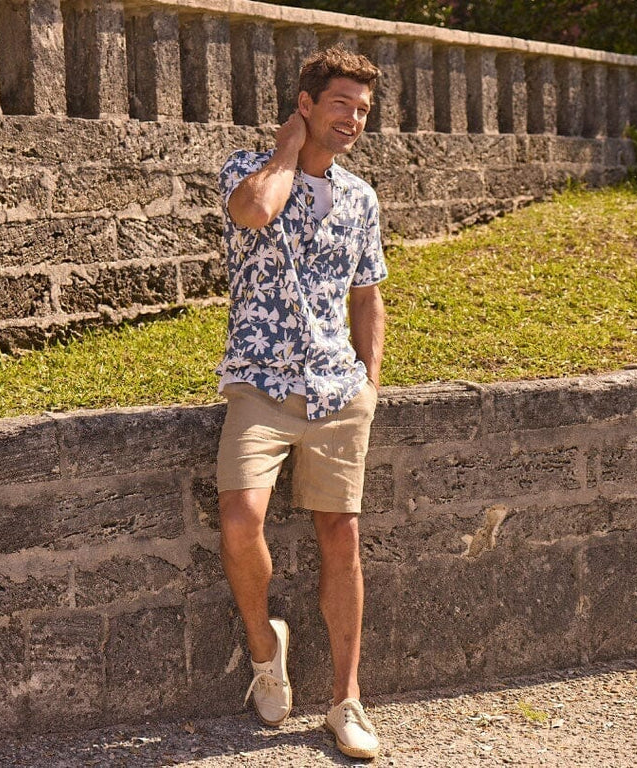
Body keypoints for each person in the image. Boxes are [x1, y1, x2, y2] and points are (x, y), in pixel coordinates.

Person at [214, 46, 387, 761]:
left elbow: (368, 295)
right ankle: (265, 648)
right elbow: (255, 213)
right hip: (260, 383)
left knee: (340, 540)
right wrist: (288, 149)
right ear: (307, 103)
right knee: (239, 519)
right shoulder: (246, 173)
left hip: (336, 391)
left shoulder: (361, 200)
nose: (353, 120)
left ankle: (346, 701)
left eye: (364, 110)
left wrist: (370, 384)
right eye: (341, 104)